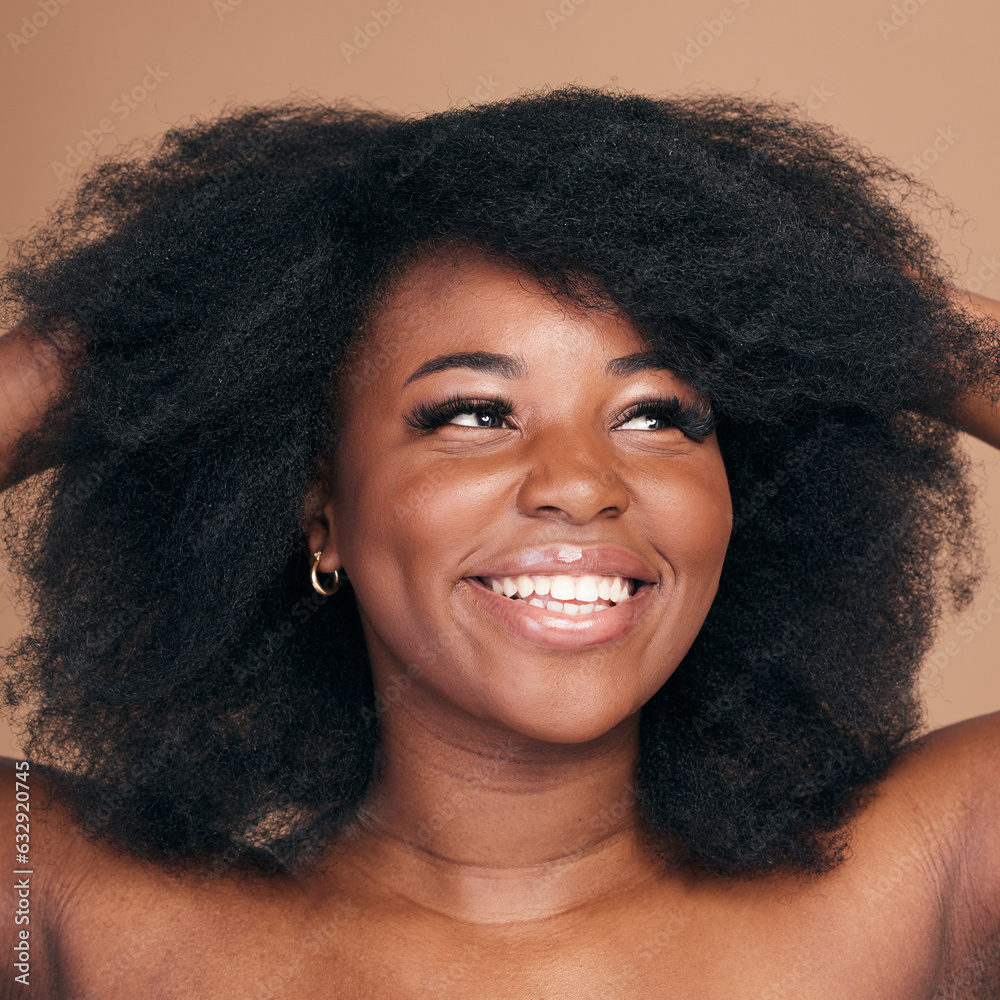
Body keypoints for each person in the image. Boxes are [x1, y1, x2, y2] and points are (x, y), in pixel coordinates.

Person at [0, 85, 998, 997]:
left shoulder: (912, 881)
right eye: (474, 412)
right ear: (321, 512)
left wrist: (863, 318)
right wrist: (139, 336)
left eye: (655, 415)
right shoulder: (79, 908)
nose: (578, 483)